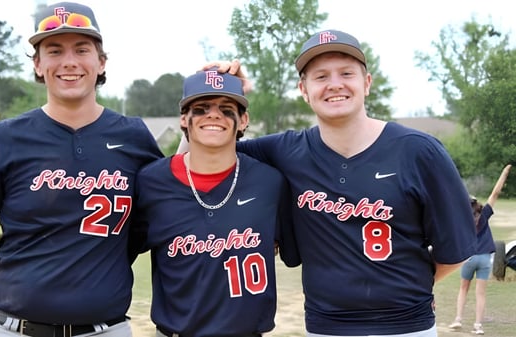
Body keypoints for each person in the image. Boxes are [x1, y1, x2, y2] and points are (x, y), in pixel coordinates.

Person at [203, 29, 477, 336]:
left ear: (367, 83)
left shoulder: (418, 150)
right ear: (303, 90)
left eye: (346, 73)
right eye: (320, 76)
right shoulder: (284, 151)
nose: (335, 84)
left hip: (408, 327)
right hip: (325, 327)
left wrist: (405, 291)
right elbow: (198, 157)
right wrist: (219, 96)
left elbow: (455, 250)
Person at [0, 2, 163, 337]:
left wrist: (213, 87)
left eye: (82, 49)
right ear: (38, 65)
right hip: (10, 328)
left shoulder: (134, 137)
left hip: (105, 330)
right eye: (54, 50)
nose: (69, 62)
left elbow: (180, 185)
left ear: (101, 62)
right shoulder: (5, 138)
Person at [132, 69, 294, 337]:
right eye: (201, 107)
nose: (214, 114)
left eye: (226, 108)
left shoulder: (270, 183)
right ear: (184, 119)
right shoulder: (151, 181)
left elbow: (288, 248)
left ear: (244, 120)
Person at [449, 164, 512, 335]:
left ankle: (458, 320)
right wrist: (504, 174)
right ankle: (478, 326)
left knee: (463, 289)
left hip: (468, 258)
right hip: (485, 259)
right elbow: (495, 193)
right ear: (477, 204)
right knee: (481, 294)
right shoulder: (484, 214)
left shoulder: (461, 217)